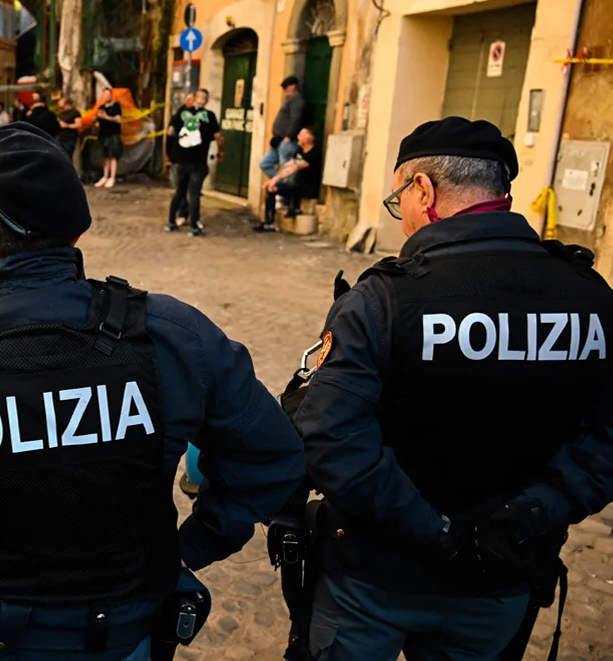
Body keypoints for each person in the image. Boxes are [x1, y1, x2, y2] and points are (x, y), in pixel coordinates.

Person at [0, 122, 305, 661]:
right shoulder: (172, 337)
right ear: (76, 235)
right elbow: (274, 456)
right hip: (125, 641)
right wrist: (189, 548)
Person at [285, 117, 613, 661]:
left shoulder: (383, 300)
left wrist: (437, 534)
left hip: (373, 583)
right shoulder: (590, 296)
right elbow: (604, 441)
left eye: (400, 202)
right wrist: (528, 515)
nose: (404, 219)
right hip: (502, 576)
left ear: (424, 190)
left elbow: (333, 438)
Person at [166, 90, 223, 235]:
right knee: (194, 193)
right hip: (198, 160)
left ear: (195, 99)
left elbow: (170, 131)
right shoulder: (209, 116)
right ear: (206, 100)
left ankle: (171, 222)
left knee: (179, 191)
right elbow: (218, 137)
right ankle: (194, 226)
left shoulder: (182, 113)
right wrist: (221, 151)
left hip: (182, 158)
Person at [254, 126, 319, 232]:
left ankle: (271, 221)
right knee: (271, 187)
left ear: (309, 138)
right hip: (296, 186)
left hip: (306, 189)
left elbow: (294, 168)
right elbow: (288, 166)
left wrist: (274, 180)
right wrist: (273, 180)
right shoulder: (300, 150)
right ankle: (268, 222)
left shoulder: (313, 153)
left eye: (302, 135)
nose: (298, 136)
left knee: (274, 186)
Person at [259, 77, 309, 184]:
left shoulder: (297, 100)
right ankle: (280, 185)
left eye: (285, 87)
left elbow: (296, 119)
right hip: (279, 141)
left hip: (287, 142)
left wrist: (288, 137)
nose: (284, 90)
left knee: (287, 170)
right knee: (265, 163)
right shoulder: (290, 100)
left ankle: (283, 195)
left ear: (292, 86)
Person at [95, 88, 123, 188]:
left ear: (111, 96)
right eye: (104, 95)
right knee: (105, 156)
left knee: (113, 156)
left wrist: (106, 117)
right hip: (103, 134)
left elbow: (119, 119)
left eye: (108, 94)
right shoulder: (101, 107)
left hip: (113, 134)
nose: (106, 96)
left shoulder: (116, 106)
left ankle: (112, 177)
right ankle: (105, 176)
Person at [55, 97, 82, 164]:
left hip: (69, 139)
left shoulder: (75, 113)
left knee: (67, 157)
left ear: (67, 104)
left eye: (62, 105)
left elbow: (79, 124)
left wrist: (66, 125)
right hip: (60, 138)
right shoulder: (61, 114)